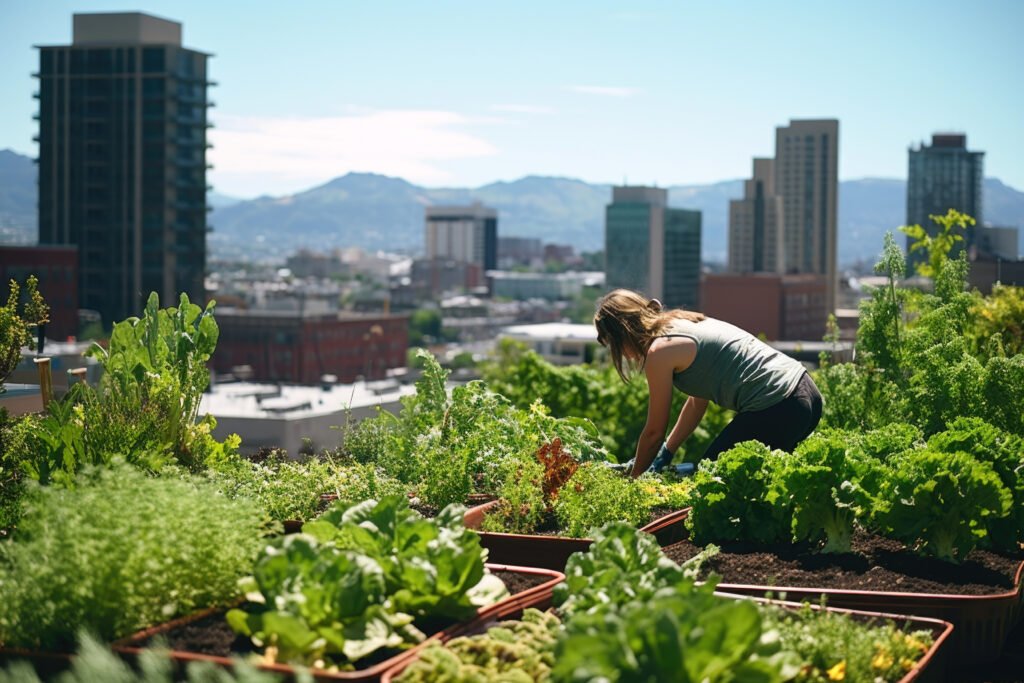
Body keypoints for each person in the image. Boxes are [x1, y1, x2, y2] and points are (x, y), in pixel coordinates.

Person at [593, 289, 823, 478]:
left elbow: (654, 431)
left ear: (621, 334)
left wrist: (634, 481)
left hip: (778, 404)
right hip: (806, 394)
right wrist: (667, 451)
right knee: (756, 486)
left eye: (612, 346)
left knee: (711, 479)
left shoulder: (659, 351)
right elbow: (697, 403)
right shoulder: (681, 322)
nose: (622, 355)